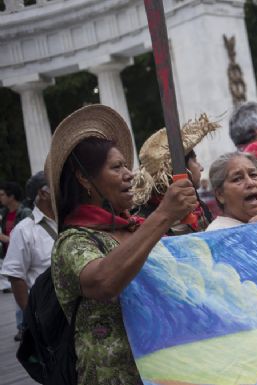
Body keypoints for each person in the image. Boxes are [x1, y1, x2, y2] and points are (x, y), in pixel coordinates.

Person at [48, 104, 197, 384]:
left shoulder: (138, 228)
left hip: (167, 372)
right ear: (84, 178)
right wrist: (164, 215)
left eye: (126, 166)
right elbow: (104, 281)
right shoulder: (73, 242)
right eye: (117, 168)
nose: (129, 174)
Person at [131, 114, 219, 235]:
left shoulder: (198, 206)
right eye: (194, 160)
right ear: (180, 169)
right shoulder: (142, 222)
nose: (201, 167)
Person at [1, 171, 56, 342]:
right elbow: (16, 276)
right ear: (43, 193)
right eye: (57, 185)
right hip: (49, 318)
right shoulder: (24, 230)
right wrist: (32, 319)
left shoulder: (70, 219)